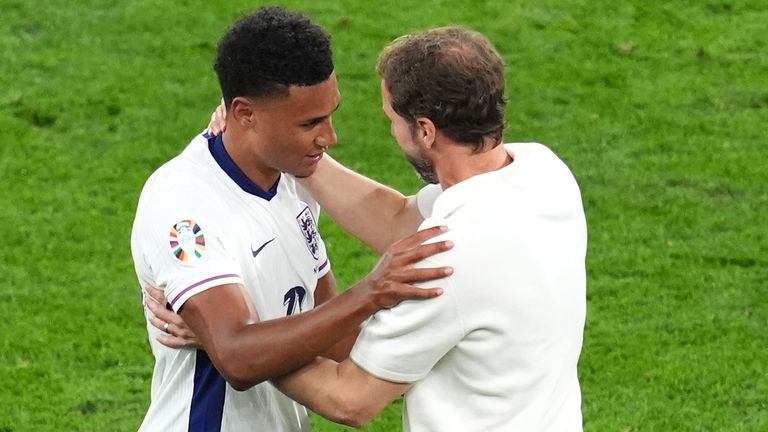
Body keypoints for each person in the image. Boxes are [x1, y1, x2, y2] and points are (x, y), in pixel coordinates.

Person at [155, 25, 587, 431]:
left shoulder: (443, 262)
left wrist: (231, 343)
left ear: (425, 130)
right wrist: (284, 141)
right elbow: (399, 219)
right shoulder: (543, 173)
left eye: (391, 120)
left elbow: (351, 397)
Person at [130, 7, 452, 432]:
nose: (330, 136)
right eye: (310, 122)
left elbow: (335, 337)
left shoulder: (295, 179)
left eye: (330, 114)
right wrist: (371, 292)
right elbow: (238, 360)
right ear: (245, 114)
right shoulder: (184, 206)